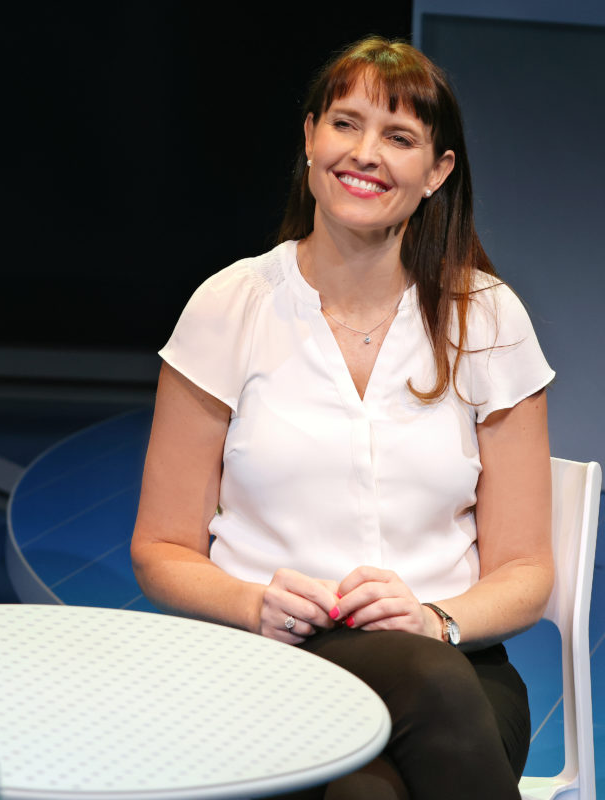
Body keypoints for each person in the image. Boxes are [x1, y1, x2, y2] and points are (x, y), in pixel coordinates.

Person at [131, 36, 553, 800]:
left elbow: (526, 574)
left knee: (378, 773)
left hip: (454, 671)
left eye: (399, 137)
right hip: (266, 666)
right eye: (346, 125)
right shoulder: (230, 306)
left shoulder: (487, 318)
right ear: (309, 138)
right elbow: (160, 548)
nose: (365, 154)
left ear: (438, 173)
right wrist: (255, 602)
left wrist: (435, 619)